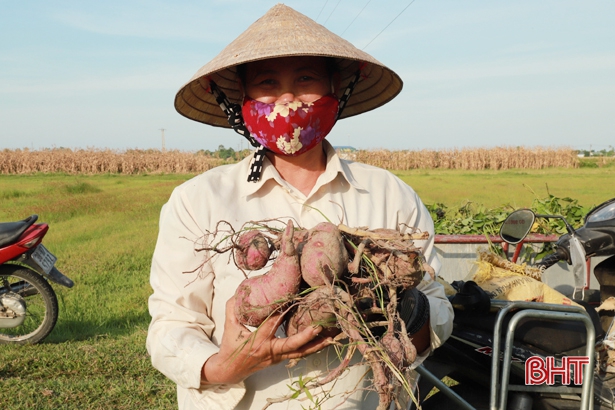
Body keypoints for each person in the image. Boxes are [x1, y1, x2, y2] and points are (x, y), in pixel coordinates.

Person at [147, 4, 453, 409]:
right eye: (267, 83)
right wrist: (227, 365)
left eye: (305, 79)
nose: (287, 98)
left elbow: (439, 308)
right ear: (242, 99)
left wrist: (396, 310)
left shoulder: (389, 195)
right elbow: (171, 327)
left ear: (335, 89)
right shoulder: (198, 200)